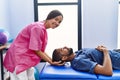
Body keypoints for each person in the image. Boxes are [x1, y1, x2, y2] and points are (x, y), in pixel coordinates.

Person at [3, 10, 64, 80]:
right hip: (18, 58)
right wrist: (51, 62)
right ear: (50, 17)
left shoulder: (42, 28)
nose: (57, 23)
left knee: (31, 77)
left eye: (59, 22)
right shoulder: (38, 28)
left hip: (25, 59)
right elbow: (36, 50)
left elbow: (40, 50)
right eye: (56, 19)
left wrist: (52, 60)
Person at [52, 45, 120, 76]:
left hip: (116, 52)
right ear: (64, 58)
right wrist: (105, 51)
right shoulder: (78, 61)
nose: (65, 46)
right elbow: (107, 71)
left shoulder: (77, 53)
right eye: (62, 49)